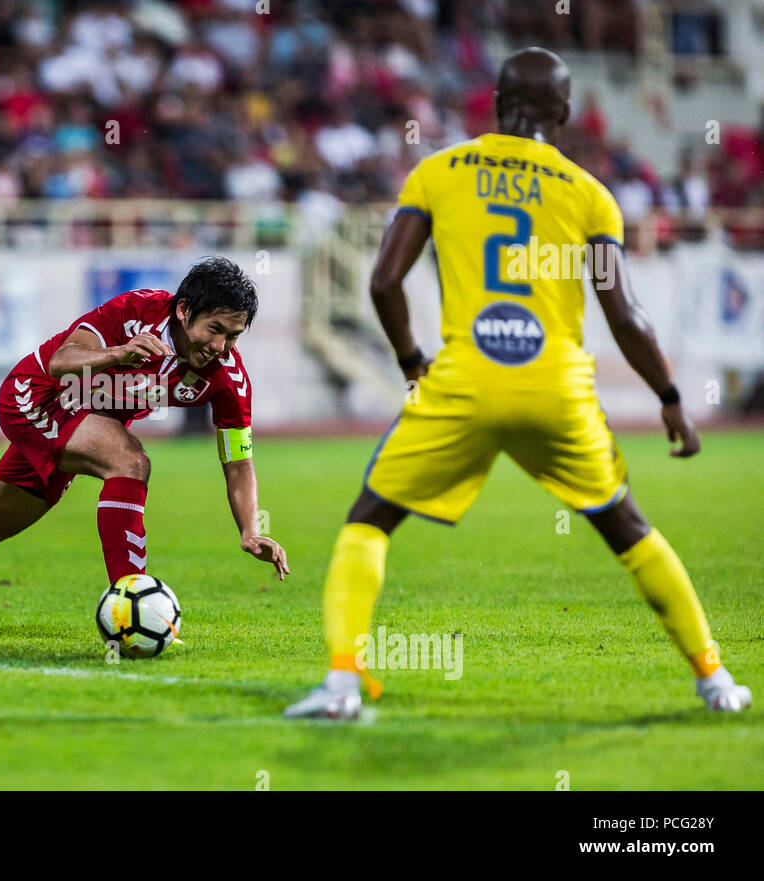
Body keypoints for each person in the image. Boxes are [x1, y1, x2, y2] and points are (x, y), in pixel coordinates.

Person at [286, 48, 751, 719]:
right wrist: (672, 401)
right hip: (555, 388)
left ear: (498, 102)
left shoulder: (439, 171)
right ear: (564, 112)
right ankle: (716, 680)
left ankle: (340, 685)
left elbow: (384, 281)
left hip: (464, 379)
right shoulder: (589, 194)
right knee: (627, 526)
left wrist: (412, 361)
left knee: (371, 518)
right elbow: (625, 315)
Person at [0, 257, 289, 592]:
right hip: (34, 395)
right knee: (130, 461)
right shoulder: (137, 312)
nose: (222, 347)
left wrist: (248, 528)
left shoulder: (228, 379)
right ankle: (131, 600)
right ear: (184, 312)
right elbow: (63, 360)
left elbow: (238, 461)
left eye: (233, 336)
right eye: (215, 330)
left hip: (82, 422)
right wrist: (119, 354)